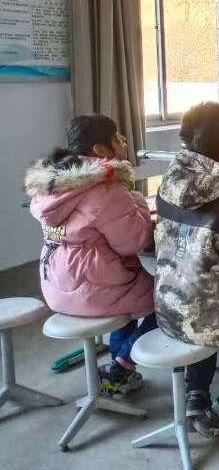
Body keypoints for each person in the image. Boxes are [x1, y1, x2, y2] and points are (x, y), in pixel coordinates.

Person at [26, 114, 156, 398]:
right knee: (168, 300)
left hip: (56, 285)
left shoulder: (50, 185)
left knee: (129, 292)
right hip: (93, 287)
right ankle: (121, 367)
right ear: (99, 149)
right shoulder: (106, 189)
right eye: (117, 137)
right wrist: (137, 202)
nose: (123, 141)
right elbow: (135, 241)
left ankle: (119, 370)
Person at [154, 102, 219, 437]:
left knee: (197, 289)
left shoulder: (167, 184)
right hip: (214, 322)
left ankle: (196, 392)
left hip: (166, 309)